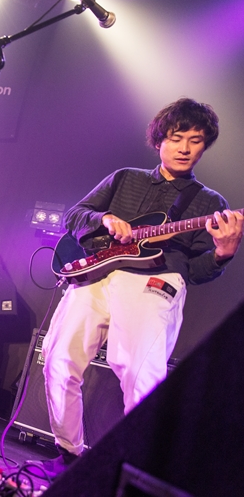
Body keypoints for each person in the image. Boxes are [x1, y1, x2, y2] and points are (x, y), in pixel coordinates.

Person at [38, 98, 243, 478]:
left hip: (156, 279)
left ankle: (132, 473)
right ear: (159, 140)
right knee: (58, 358)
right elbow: (74, 216)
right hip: (97, 274)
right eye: (176, 138)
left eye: (195, 140)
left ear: (205, 146)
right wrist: (104, 219)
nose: (184, 148)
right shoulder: (124, 178)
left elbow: (197, 272)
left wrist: (223, 253)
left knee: (141, 376)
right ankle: (68, 456)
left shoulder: (210, 203)